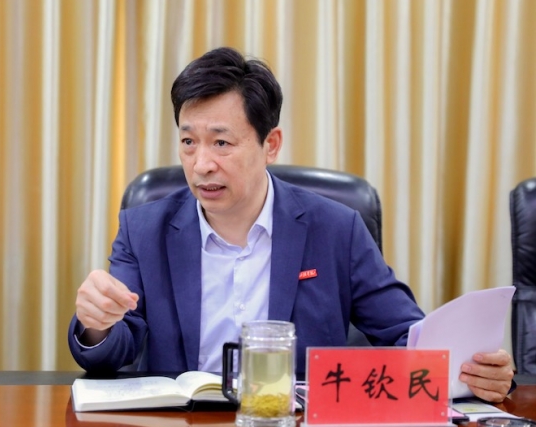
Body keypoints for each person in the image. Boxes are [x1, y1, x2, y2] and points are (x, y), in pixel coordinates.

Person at [68, 47, 514, 402]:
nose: (201, 164)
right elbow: (113, 351)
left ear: (271, 144)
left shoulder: (336, 229)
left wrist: (474, 370)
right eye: (188, 142)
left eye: (221, 143)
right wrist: (96, 325)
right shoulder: (144, 230)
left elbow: (405, 337)